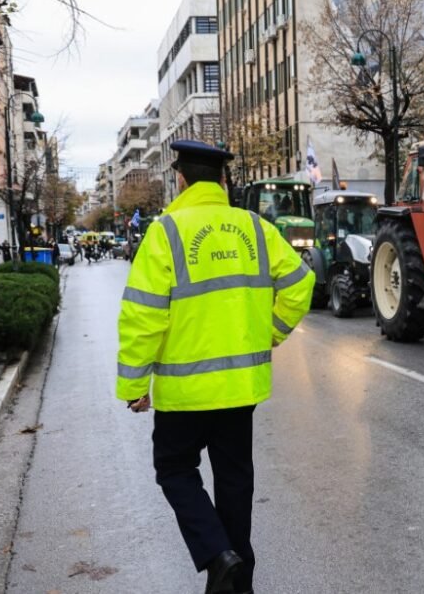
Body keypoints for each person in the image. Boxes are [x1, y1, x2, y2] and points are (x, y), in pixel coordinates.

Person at [117, 140, 314, 594]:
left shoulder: (165, 232)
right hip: (239, 388)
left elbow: (142, 315)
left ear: (180, 180)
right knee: (234, 482)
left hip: (184, 393)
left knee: (174, 470)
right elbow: (301, 282)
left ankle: (216, 554)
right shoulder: (255, 227)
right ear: (223, 180)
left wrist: (134, 383)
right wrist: (271, 333)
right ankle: (236, 580)